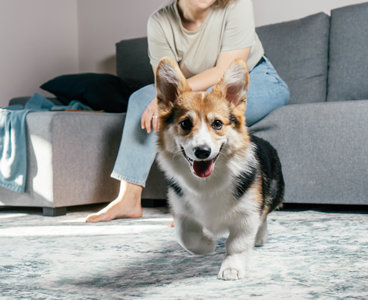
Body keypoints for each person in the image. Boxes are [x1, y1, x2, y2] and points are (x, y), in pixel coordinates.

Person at [85, 0, 289, 223]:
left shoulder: (236, 4)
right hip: (197, 89)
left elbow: (225, 71)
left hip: (251, 81)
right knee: (141, 99)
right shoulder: (159, 22)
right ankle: (128, 198)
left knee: (206, 104)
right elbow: (168, 79)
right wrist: (160, 100)